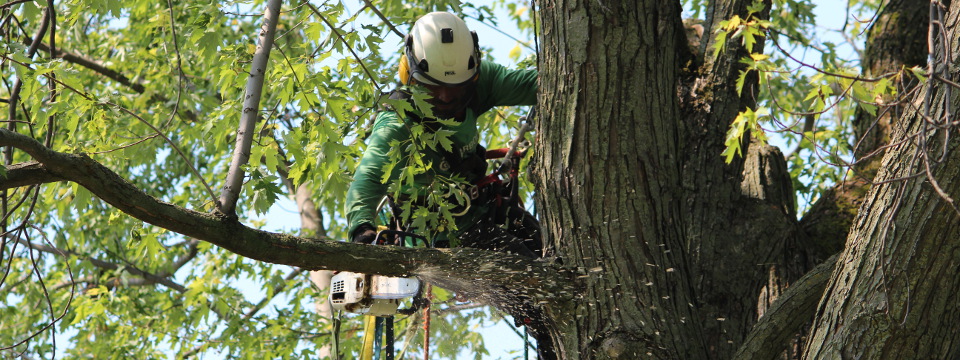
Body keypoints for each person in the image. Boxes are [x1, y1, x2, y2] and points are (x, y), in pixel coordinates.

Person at [344, 11, 542, 258]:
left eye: (455, 88)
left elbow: (538, 84)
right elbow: (368, 178)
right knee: (535, 280)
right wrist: (362, 230)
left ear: (474, 74)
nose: (445, 97)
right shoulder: (397, 123)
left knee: (552, 252)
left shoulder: (477, 84)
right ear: (410, 75)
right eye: (433, 87)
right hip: (443, 236)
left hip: (486, 210)